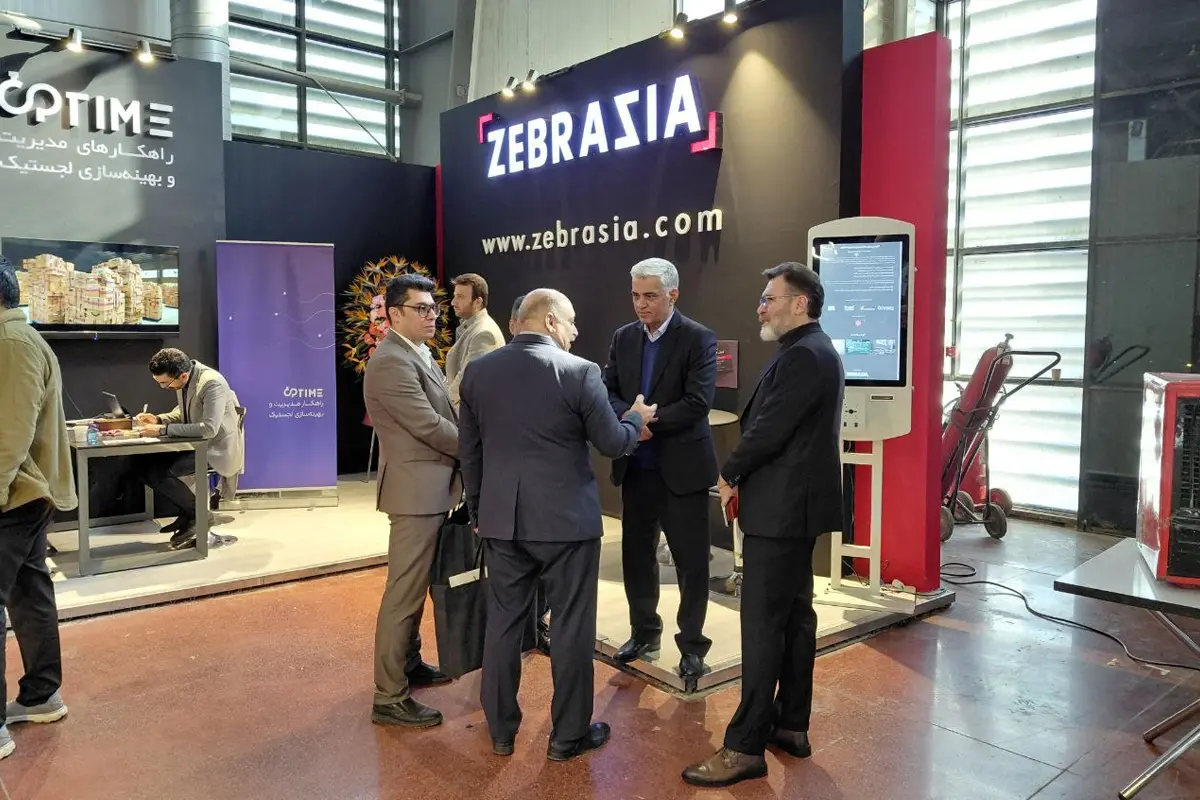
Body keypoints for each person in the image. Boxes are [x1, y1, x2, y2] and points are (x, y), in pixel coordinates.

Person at [459, 289, 656, 760]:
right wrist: (636, 417)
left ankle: (501, 731)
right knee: (570, 627)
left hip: (502, 522)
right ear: (550, 321)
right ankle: (567, 737)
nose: (575, 331)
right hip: (567, 525)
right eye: (570, 322)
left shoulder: (478, 373)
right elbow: (613, 442)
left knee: (503, 625)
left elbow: (471, 453)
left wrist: (480, 514)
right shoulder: (579, 371)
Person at [683, 263, 844, 788]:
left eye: (769, 298)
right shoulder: (811, 351)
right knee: (795, 619)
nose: (760, 307)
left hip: (780, 512)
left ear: (800, 303)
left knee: (762, 627)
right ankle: (791, 724)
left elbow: (769, 430)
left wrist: (729, 473)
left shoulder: (805, 356)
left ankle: (745, 746)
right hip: (791, 511)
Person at [603, 258, 717, 682]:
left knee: (691, 562)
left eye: (650, 295)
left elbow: (698, 402)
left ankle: (692, 646)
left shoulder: (698, 338)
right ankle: (643, 633)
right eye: (635, 295)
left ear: (673, 294)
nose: (641, 304)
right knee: (636, 557)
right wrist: (631, 419)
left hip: (682, 469)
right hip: (637, 466)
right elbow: (608, 390)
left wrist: (647, 421)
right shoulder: (623, 337)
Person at [362, 273, 459, 729]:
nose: (432, 315)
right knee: (403, 595)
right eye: (421, 308)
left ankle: (409, 663)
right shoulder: (390, 361)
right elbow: (428, 425)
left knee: (416, 589)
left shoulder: (415, 352)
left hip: (430, 487)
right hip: (415, 493)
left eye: (434, 308)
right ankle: (389, 696)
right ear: (394, 313)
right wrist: (480, 447)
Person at [0, 256, 76, 760]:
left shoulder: (10, 343)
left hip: (13, 495)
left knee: (27, 595)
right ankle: (41, 695)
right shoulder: (18, 339)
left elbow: (8, 436)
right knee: (30, 595)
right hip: (25, 493)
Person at [133, 348, 244, 550]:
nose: (163, 387)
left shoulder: (212, 383)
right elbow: (185, 412)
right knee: (145, 468)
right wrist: (158, 419)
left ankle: (199, 516)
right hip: (196, 444)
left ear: (182, 375)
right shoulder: (187, 378)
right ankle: (191, 514)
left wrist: (162, 430)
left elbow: (209, 428)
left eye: (165, 383)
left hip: (215, 449)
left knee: (161, 473)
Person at [445, 273, 505, 410]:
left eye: (460, 297)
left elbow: (468, 380)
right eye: (455, 296)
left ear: (478, 302)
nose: (453, 302)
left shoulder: (484, 333)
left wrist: (443, 405)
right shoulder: (474, 327)